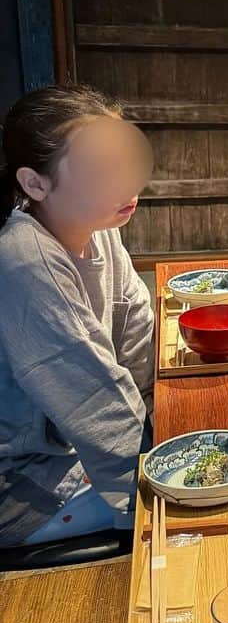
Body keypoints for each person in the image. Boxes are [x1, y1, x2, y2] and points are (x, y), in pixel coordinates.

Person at [0, 85, 155, 546]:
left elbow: (135, 327)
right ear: (35, 183)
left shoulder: (98, 225)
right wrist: (150, 489)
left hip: (82, 448)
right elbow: (93, 395)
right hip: (26, 481)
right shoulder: (24, 257)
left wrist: (162, 420)